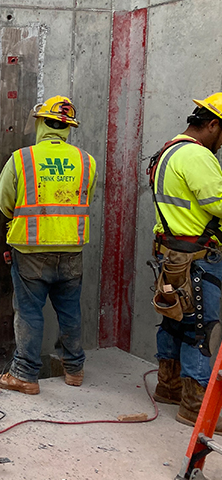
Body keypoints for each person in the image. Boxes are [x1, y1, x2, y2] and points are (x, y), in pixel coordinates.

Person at [0, 95, 97, 395]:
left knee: (29, 312)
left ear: (40, 123)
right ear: (67, 128)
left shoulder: (22, 159)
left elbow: (4, 202)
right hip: (72, 248)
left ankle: (24, 374)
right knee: (70, 310)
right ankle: (75, 370)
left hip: (31, 249)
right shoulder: (87, 161)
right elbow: (86, 195)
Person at [147, 93, 222, 430]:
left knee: (176, 321)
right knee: (203, 330)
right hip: (200, 260)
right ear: (213, 125)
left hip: (174, 256)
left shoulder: (168, 151)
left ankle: (169, 386)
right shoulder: (197, 156)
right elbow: (218, 203)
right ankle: (194, 406)